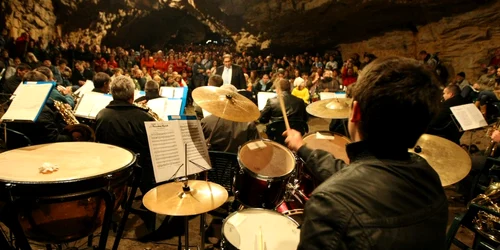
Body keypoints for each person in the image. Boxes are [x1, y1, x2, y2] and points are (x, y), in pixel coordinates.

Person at [283, 57, 447, 249]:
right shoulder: (429, 177)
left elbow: (349, 190)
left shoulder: (329, 203)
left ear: (355, 112)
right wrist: (302, 147)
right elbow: (357, 178)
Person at [95, 76, 156, 193]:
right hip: (138, 172)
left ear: (112, 93)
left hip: (111, 169)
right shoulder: (144, 117)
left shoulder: (101, 115)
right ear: (132, 96)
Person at [201, 84, 259, 153]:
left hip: (211, 162)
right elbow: (257, 148)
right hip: (237, 162)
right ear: (237, 101)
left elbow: (198, 145)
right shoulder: (248, 124)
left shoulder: (206, 121)